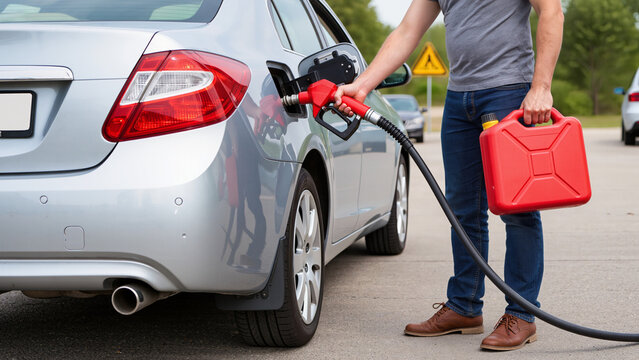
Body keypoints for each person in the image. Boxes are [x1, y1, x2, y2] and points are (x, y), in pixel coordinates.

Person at [334, 0, 564, 351]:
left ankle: (522, 314)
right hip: (459, 101)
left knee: (518, 210)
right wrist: (362, 85)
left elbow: (551, 11)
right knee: (462, 209)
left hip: (508, 94)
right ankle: (465, 306)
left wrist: (541, 86)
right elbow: (407, 30)